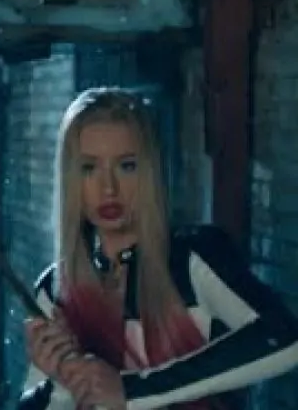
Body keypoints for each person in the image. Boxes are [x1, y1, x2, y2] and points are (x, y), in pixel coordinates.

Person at [19, 87, 298, 409]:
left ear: (150, 171)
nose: (108, 188)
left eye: (126, 166)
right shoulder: (55, 289)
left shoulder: (192, 259)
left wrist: (131, 391)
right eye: (88, 168)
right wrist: (61, 383)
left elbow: (284, 339)